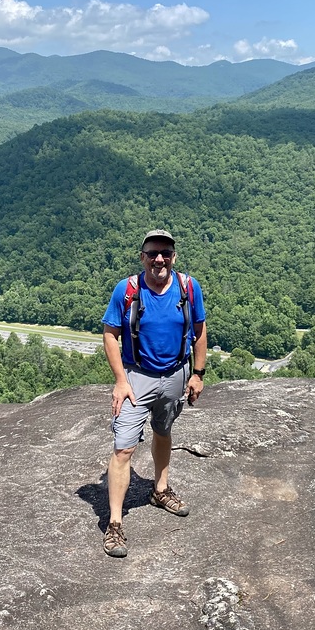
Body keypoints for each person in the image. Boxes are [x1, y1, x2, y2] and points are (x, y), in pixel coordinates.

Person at [101, 229, 207, 558]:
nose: (158, 258)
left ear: (173, 256)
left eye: (165, 252)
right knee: (123, 449)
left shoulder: (189, 288)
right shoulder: (128, 290)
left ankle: (160, 489)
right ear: (142, 256)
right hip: (137, 378)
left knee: (164, 432)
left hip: (176, 374)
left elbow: (200, 332)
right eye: (152, 253)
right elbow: (109, 333)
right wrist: (120, 380)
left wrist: (198, 374)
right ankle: (115, 523)